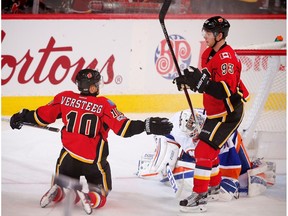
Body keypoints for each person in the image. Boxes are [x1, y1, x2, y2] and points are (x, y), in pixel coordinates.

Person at [9, 68, 173, 215]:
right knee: (101, 190)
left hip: (67, 157)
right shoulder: (104, 105)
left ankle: (60, 191)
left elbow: (41, 117)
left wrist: (22, 117)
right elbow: (124, 128)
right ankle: (92, 197)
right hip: (92, 161)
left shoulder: (64, 98)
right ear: (93, 86)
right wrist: (146, 125)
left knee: (64, 179)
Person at [174, 16, 250, 213]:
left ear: (219, 35)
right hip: (215, 112)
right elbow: (206, 81)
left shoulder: (227, 60)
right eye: (204, 32)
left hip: (228, 114)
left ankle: (199, 195)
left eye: (208, 33)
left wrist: (201, 84)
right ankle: (215, 186)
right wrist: (190, 81)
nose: (204, 36)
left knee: (203, 151)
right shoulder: (208, 52)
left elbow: (225, 90)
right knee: (209, 149)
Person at [137, 108, 275, 201]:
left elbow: (231, 173)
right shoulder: (177, 123)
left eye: (197, 135)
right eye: (191, 136)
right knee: (169, 166)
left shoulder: (222, 137)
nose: (194, 139)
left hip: (225, 148)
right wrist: (169, 151)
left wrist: (228, 182)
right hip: (200, 150)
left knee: (244, 181)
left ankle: (257, 167)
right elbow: (167, 134)